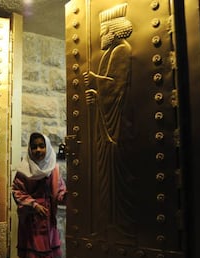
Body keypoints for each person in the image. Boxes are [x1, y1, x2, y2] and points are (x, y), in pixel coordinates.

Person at [83, 3, 135, 235]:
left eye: (104, 31)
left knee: (115, 171)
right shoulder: (109, 52)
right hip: (105, 121)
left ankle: (118, 221)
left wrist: (95, 81)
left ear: (113, 31)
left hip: (116, 125)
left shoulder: (122, 50)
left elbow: (117, 87)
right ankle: (108, 220)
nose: (101, 36)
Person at [12, 132, 67, 258]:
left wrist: (66, 196)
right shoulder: (24, 170)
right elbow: (17, 192)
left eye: (41, 146)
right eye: (34, 146)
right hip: (31, 220)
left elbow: (59, 190)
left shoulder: (53, 168)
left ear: (47, 147)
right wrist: (34, 205)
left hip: (47, 219)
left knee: (46, 256)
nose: (38, 150)